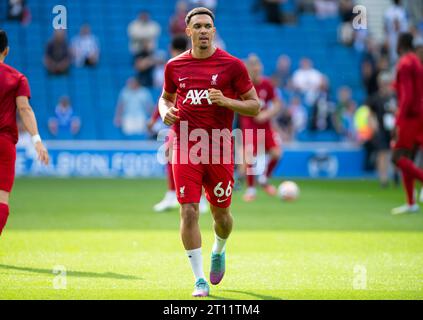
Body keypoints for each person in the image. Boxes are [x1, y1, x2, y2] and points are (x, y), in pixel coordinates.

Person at [158, 7, 260, 297]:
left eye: (208, 26)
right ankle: (199, 279)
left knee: (222, 216)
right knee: (188, 211)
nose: (203, 31)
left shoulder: (233, 66)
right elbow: (165, 98)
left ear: (213, 31)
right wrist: (165, 111)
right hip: (185, 146)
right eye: (198, 26)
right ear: (188, 31)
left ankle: (219, 248)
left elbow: (254, 105)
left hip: (218, 149)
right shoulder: (174, 66)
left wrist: (227, 101)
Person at [0, 30, 49, 236]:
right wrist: (37, 140)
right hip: (3, 142)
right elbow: (24, 109)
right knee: (2, 197)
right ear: (6, 50)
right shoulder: (16, 77)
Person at [239, 54, 282, 202]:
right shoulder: (243, 85)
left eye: (258, 68)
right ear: (248, 70)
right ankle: (251, 190)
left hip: (266, 127)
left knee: (276, 154)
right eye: (254, 69)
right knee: (250, 157)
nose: (257, 71)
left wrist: (267, 114)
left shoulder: (267, 84)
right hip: (249, 127)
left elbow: (277, 103)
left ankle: (264, 179)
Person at [390, 32, 423, 215]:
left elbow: (407, 96)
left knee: (397, 157)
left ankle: (412, 200)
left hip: (409, 117)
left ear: (400, 43)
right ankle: (410, 203)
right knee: (408, 158)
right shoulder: (417, 62)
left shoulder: (404, 63)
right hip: (419, 115)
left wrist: (398, 121)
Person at [367, 72, 396, 187]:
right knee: (382, 154)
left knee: (396, 153)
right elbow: (369, 113)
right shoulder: (375, 98)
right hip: (381, 129)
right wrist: (373, 123)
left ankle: (395, 174)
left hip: (394, 128)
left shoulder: (395, 96)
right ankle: (383, 178)